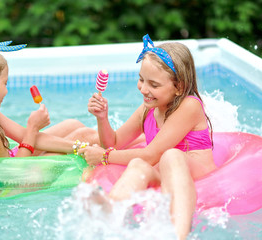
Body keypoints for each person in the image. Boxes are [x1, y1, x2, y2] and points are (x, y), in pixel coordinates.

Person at [79, 34, 217, 240]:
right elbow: (114, 143)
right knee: (137, 166)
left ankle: (178, 234)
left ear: (178, 86)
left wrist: (104, 157)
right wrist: (102, 118)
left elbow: (151, 154)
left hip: (196, 173)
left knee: (170, 155)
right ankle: (109, 213)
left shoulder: (190, 105)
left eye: (154, 84)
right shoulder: (148, 108)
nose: (144, 89)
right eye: (141, 79)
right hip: (162, 171)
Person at [0, 41, 97, 158]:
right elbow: (15, 173)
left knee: (73, 125)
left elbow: (23, 136)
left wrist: (78, 147)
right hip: (12, 180)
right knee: (85, 136)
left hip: (14, 159)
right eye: (5, 83)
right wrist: (33, 127)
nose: (7, 90)